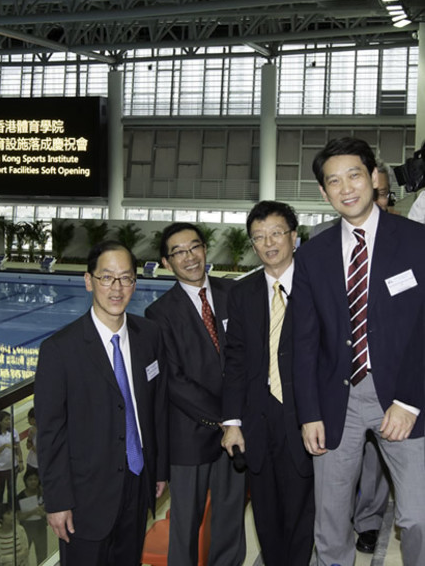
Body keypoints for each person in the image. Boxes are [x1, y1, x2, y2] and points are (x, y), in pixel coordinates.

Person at [293, 136, 425, 566]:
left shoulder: (416, 241)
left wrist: (409, 402)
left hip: (405, 396)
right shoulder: (313, 256)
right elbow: (305, 339)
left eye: (355, 175)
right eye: (334, 181)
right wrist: (309, 411)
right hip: (337, 400)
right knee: (330, 523)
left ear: (373, 178)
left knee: (418, 517)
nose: (346, 188)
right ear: (323, 191)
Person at [35, 240, 168, 566]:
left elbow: (157, 409)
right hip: (85, 496)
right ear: (88, 280)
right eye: (107, 277)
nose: (117, 287)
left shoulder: (149, 335)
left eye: (126, 278)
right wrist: (57, 502)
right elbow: (50, 433)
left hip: (138, 484)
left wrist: (159, 469)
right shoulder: (60, 350)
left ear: (135, 283)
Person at [144, 222, 245, 566]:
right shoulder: (158, 314)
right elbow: (174, 381)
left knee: (230, 518)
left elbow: (248, 356)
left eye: (195, 247)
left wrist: (236, 418)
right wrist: (225, 418)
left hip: (237, 430)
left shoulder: (233, 294)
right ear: (166, 262)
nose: (190, 257)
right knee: (186, 525)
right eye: (179, 252)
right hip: (190, 435)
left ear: (205, 249)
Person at [220, 201, 314, 566]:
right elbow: (236, 362)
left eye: (276, 233)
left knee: (301, 514)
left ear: (294, 236)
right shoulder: (242, 294)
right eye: (259, 237)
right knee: (266, 515)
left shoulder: (315, 285)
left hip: (304, 418)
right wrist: (232, 422)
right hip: (257, 422)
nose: (269, 243)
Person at [0, 410, 23, 523]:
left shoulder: (13, 432)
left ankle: (11, 511)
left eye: (10, 419)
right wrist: (4, 446)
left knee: (12, 490)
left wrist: (20, 461)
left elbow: (18, 447)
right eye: (6, 420)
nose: (9, 421)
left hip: (12, 466)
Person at [16, 470, 47, 565]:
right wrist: (34, 511)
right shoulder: (20, 496)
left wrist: (44, 513)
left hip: (41, 528)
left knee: (42, 555)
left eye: (35, 479)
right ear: (25, 481)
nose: (33, 482)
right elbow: (19, 516)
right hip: (26, 529)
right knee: (23, 555)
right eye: (30, 479)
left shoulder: (42, 492)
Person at [24, 408, 38, 477]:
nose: (28, 421)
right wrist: (30, 437)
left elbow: (38, 451)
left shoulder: (45, 431)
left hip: (40, 465)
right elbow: (28, 447)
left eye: (29, 419)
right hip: (31, 463)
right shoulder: (31, 429)